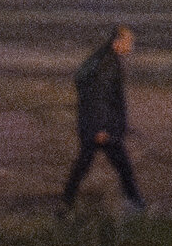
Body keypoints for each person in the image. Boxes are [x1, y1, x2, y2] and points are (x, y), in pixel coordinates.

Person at [58, 27, 140, 210]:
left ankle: (66, 202)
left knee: (85, 164)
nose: (131, 47)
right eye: (129, 42)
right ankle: (135, 204)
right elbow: (99, 98)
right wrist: (101, 128)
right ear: (117, 43)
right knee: (122, 165)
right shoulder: (108, 65)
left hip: (94, 125)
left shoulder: (104, 60)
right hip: (102, 128)